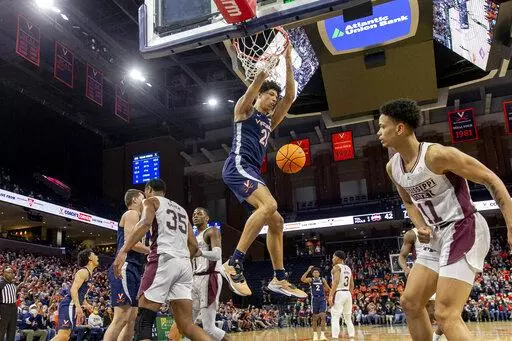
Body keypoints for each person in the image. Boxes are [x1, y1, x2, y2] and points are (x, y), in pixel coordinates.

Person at [377, 98, 512, 341]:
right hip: (436, 235)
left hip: (463, 226)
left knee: (446, 314)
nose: (378, 132)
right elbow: (408, 201)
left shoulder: (437, 155)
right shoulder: (392, 167)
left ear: (400, 128)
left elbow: (491, 179)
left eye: (382, 126)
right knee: (410, 302)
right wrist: (420, 225)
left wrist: (511, 224)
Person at [221, 46, 305, 298]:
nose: (273, 100)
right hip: (237, 165)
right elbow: (254, 87)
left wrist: (288, 60)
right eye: (269, 95)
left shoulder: (269, 120)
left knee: (277, 221)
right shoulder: (243, 110)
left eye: (274, 98)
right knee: (269, 205)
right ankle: (234, 262)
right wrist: (263, 71)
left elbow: (289, 97)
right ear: (259, 96)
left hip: (252, 171)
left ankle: (279, 278)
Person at [113, 178, 211, 341]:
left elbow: (145, 223)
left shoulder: (151, 201)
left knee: (143, 322)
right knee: (187, 326)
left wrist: (123, 250)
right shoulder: (181, 210)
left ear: (149, 189)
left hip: (163, 260)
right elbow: (194, 245)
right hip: (185, 265)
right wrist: (182, 258)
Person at [104, 189, 149, 341]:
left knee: (131, 320)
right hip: (125, 267)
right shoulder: (132, 214)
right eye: (143, 198)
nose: (145, 201)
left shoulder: (141, 218)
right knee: (121, 318)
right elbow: (132, 243)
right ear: (135, 199)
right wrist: (152, 250)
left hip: (135, 268)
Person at [399, 228, 443, 341]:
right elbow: (401, 257)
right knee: (429, 311)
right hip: (424, 271)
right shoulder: (411, 234)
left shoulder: (444, 225)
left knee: (446, 314)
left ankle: (435, 336)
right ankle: (432, 337)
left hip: (445, 269)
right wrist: (405, 268)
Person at [51, 249, 99, 341]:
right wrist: (78, 307)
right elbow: (73, 290)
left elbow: (82, 295)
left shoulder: (89, 274)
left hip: (72, 305)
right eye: (94, 255)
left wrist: (87, 305)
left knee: (65, 336)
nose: (97, 257)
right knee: (63, 336)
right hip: (69, 304)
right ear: (90, 258)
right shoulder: (83, 272)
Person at [328, 251, 355, 341]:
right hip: (347, 293)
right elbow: (352, 285)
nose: (332, 259)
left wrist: (331, 296)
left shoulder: (336, 267)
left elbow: (335, 282)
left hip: (339, 293)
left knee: (335, 317)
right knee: (348, 318)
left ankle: (335, 338)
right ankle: (352, 337)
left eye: (333, 257)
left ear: (339, 258)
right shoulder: (348, 268)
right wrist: (348, 295)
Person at [300, 265, 331, 341]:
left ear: (319, 273)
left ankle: (322, 335)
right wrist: (308, 270)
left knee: (323, 316)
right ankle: (315, 334)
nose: (316, 273)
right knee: (314, 318)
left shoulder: (322, 279)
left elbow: (328, 289)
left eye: (317, 272)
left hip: (322, 299)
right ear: (312, 274)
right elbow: (302, 279)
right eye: (314, 272)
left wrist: (325, 286)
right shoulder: (311, 280)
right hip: (314, 300)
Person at [0, 267, 17, 341]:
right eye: (9, 272)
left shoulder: (13, 284)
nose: (11, 274)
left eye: (12, 272)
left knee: (12, 330)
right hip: (4, 308)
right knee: (1, 330)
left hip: (13, 308)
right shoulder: (1, 283)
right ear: (4, 273)